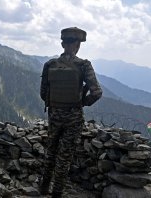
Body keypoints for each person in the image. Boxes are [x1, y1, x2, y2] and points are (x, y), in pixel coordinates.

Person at [39, 27, 103, 197]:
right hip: (74, 117)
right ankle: (56, 193)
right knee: (64, 157)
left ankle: (43, 188)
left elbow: (43, 93)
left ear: (62, 44)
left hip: (54, 115)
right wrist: (81, 102)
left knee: (51, 152)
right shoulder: (84, 65)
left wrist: (55, 105)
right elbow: (96, 92)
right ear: (77, 45)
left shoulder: (49, 65)